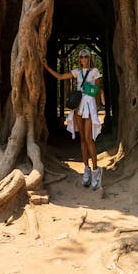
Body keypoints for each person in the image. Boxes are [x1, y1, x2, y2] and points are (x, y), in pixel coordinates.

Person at [44, 48, 103, 190]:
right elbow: (59, 77)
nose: (84, 59)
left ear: (89, 58)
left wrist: (97, 106)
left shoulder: (95, 72)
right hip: (78, 106)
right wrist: (46, 67)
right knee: (82, 139)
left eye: (86, 56)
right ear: (79, 59)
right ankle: (87, 169)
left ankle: (96, 171)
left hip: (89, 106)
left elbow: (97, 90)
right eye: (82, 57)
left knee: (89, 139)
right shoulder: (76, 72)